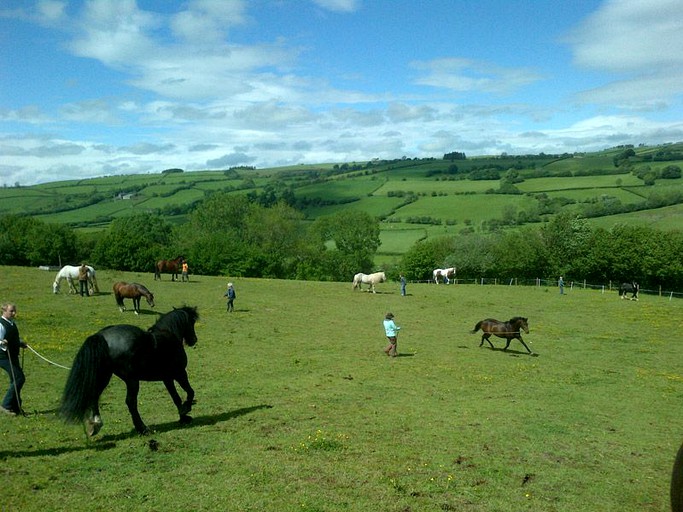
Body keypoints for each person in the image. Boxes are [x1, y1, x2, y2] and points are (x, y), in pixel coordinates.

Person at [0, 303, 27, 415]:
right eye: (11, 311)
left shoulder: (12, 323)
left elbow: (12, 338)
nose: (14, 313)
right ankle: (5, 405)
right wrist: (2, 342)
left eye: (14, 311)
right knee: (19, 378)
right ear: (4, 311)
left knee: (15, 380)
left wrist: (19, 343)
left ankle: (15, 407)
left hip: (13, 356)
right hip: (3, 357)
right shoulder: (1, 324)